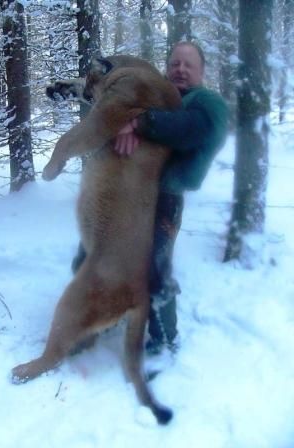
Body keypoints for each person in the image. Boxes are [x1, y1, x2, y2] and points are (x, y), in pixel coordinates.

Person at [72, 42, 229, 355]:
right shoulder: (152, 94)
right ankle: (95, 321)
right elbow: (110, 104)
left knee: (151, 266)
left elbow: (188, 129)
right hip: (122, 191)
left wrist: (138, 123)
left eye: (188, 65)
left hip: (162, 198)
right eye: (175, 64)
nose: (180, 69)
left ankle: (165, 340)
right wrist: (123, 120)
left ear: (202, 71)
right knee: (91, 256)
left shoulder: (208, 103)